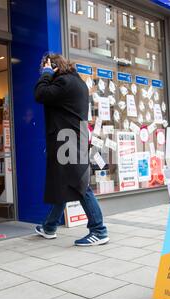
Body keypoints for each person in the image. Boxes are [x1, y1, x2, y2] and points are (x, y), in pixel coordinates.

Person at [33, 54, 109, 246]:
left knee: (79, 183)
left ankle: (99, 230)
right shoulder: (76, 82)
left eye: (45, 67)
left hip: (68, 139)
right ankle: (49, 227)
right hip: (71, 136)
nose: (42, 71)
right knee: (64, 183)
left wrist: (47, 74)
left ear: (54, 67)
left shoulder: (64, 82)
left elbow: (40, 94)